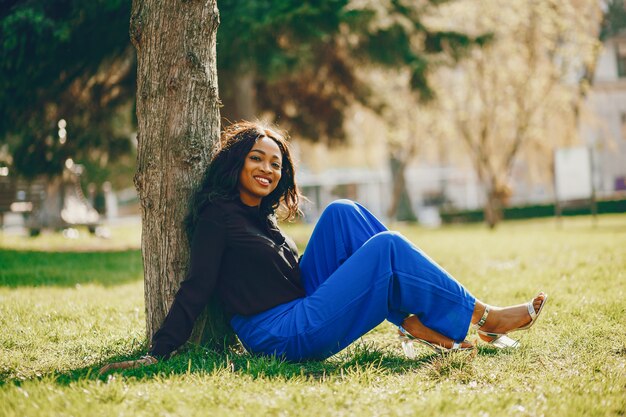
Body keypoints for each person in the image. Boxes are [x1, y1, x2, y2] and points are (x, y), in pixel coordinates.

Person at [99, 121, 547, 374]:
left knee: (343, 213)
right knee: (387, 248)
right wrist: (157, 353)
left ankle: (416, 321)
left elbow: (290, 275)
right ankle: (484, 318)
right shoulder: (218, 217)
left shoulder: (260, 215)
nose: (267, 169)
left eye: (275, 164)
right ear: (236, 162)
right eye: (256, 158)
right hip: (278, 332)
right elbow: (197, 286)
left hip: (298, 303)